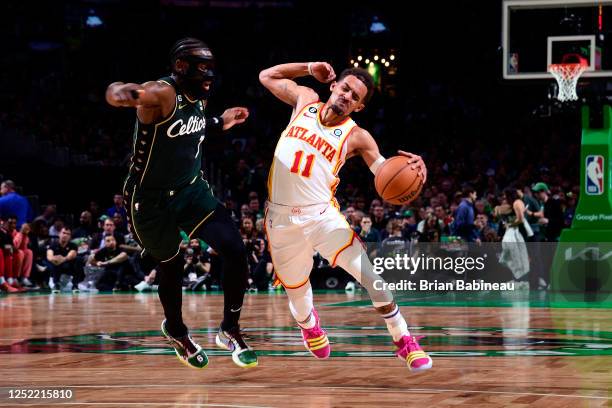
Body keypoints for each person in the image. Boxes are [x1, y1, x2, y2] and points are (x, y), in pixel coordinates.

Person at [259, 61, 432, 371]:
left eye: (355, 96)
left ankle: (404, 340)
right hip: (282, 221)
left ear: (360, 106)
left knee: (373, 278)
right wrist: (309, 68)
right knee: (297, 298)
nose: (347, 96)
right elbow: (267, 76)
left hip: (322, 217)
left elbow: (384, 173)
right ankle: (310, 325)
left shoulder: (357, 136)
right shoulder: (304, 101)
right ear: (334, 86)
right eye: (345, 88)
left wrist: (415, 175)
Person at [105, 37, 257, 368]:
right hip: (150, 199)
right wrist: (118, 91)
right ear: (180, 67)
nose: (208, 78)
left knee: (234, 248)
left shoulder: (199, 97)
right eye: (202, 71)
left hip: (191, 191)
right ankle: (176, 330)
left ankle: (229, 329)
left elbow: (198, 127)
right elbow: (128, 93)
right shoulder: (161, 93)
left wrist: (223, 122)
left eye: (210, 72)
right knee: (170, 266)